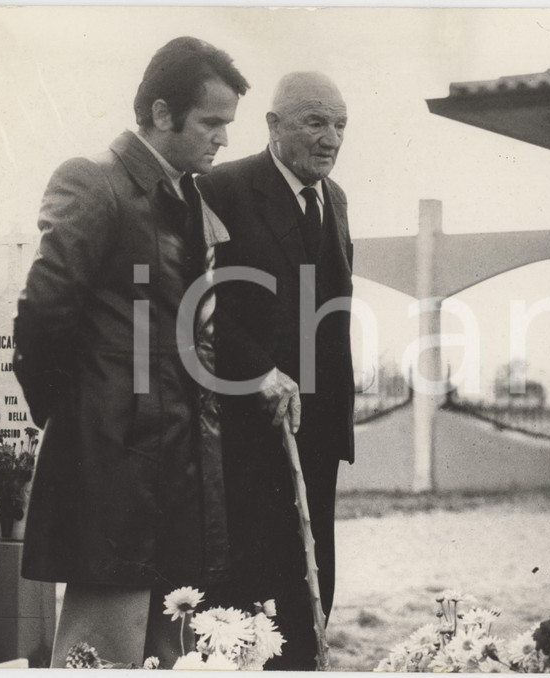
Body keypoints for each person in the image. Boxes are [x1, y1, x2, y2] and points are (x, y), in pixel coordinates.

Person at [12, 37, 248, 668]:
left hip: (175, 467)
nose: (223, 139)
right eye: (211, 123)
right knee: (102, 653)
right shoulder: (94, 182)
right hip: (113, 467)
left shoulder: (185, 196)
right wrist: (85, 421)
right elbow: (41, 319)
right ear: (162, 112)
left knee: (167, 649)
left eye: (227, 125)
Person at [198, 71, 354, 670]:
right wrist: (259, 370)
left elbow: (329, 310)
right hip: (245, 435)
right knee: (249, 597)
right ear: (273, 126)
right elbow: (199, 302)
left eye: (340, 125)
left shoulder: (335, 199)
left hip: (316, 433)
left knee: (314, 588)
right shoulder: (222, 188)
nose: (331, 138)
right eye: (315, 122)